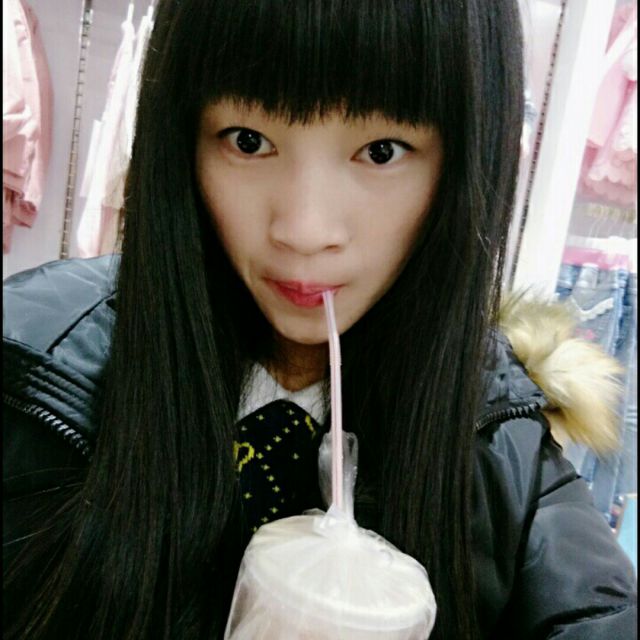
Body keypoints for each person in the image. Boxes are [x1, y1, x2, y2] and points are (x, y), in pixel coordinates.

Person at [3, 1, 637, 638]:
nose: (304, 230)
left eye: (382, 151)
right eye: (248, 141)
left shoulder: (499, 439)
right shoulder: (26, 365)